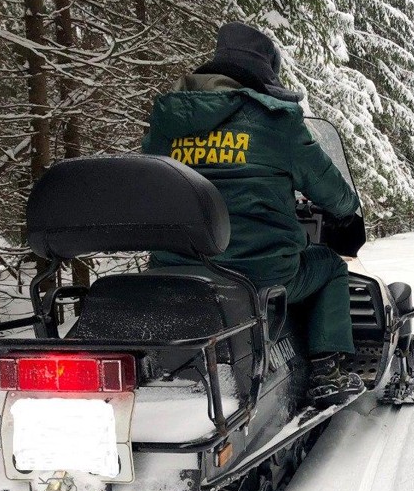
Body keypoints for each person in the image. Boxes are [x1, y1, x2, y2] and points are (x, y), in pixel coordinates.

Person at [142, 22, 363, 409]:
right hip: (258, 276)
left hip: (176, 274)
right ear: (264, 77)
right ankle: (328, 370)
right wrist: (344, 209)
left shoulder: (167, 120)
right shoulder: (277, 122)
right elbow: (336, 195)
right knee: (329, 265)